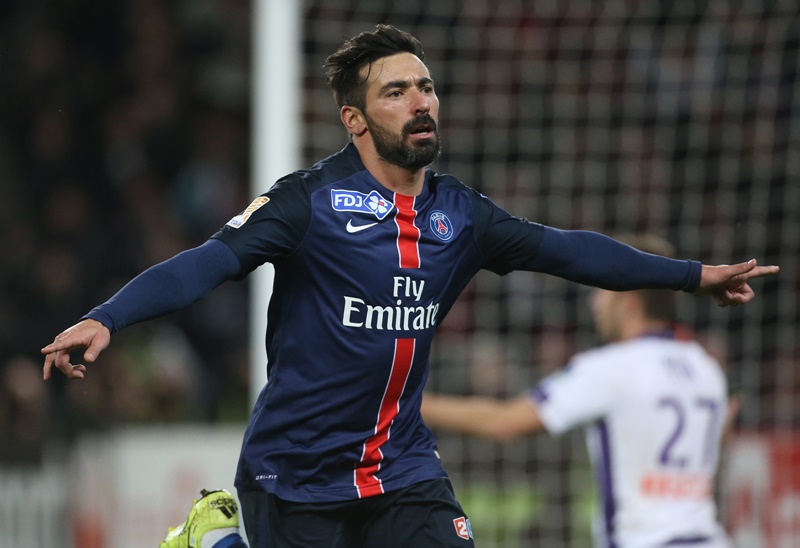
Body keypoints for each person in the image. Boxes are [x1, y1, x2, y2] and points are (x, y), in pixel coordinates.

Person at [41, 25, 777, 548]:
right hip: (294, 470)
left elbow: (567, 252)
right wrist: (108, 317)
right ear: (355, 119)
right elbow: (207, 262)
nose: (421, 101)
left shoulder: (462, 215)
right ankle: (214, 535)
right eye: (396, 92)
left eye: (426, 87)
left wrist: (691, 277)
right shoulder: (306, 203)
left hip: (403, 466)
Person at [422, 234, 736, 547]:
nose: (594, 302)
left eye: (602, 291)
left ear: (628, 302)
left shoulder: (611, 368)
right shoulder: (705, 368)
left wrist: (413, 402)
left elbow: (504, 421)